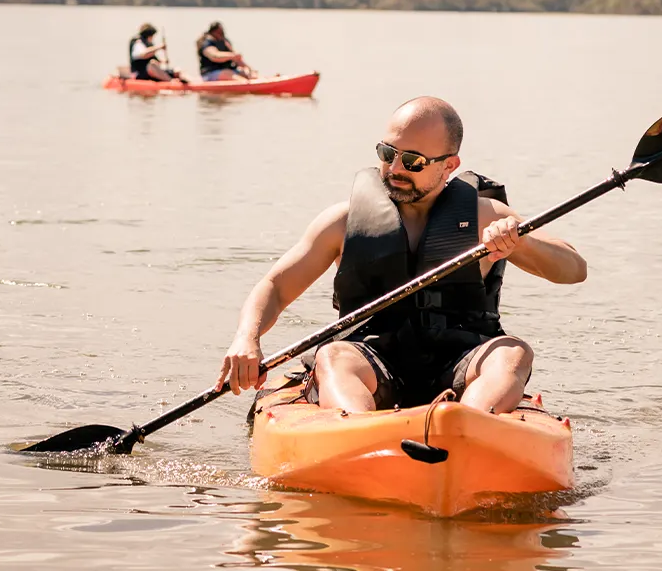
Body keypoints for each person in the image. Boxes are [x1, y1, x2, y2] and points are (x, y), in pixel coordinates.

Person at [216, 97, 588, 414]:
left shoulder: (485, 215)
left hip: (461, 359)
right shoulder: (343, 221)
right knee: (333, 357)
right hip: (368, 360)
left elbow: (574, 269)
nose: (394, 169)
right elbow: (276, 286)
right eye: (387, 153)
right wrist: (246, 338)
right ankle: (357, 437)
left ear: (449, 165)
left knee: (513, 352)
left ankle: (468, 430)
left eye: (412, 161)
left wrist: (520, 241)